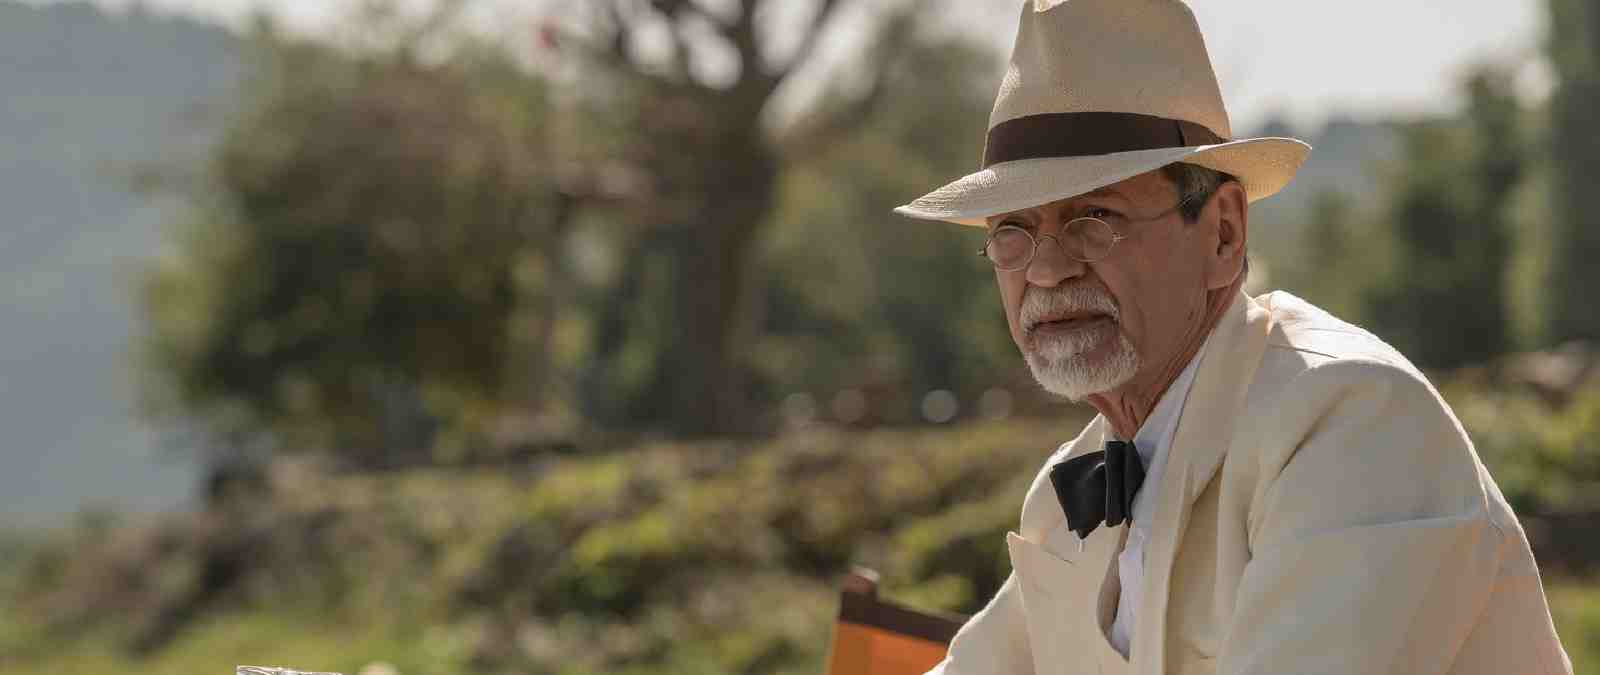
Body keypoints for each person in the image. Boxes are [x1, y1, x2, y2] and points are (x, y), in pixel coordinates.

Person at [892, 1, 1574, 674]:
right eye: (1012, 231)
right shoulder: (1067, 495)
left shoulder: (1351, 424)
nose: (1045, 269)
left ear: (1223, 233)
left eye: (1094, 217)